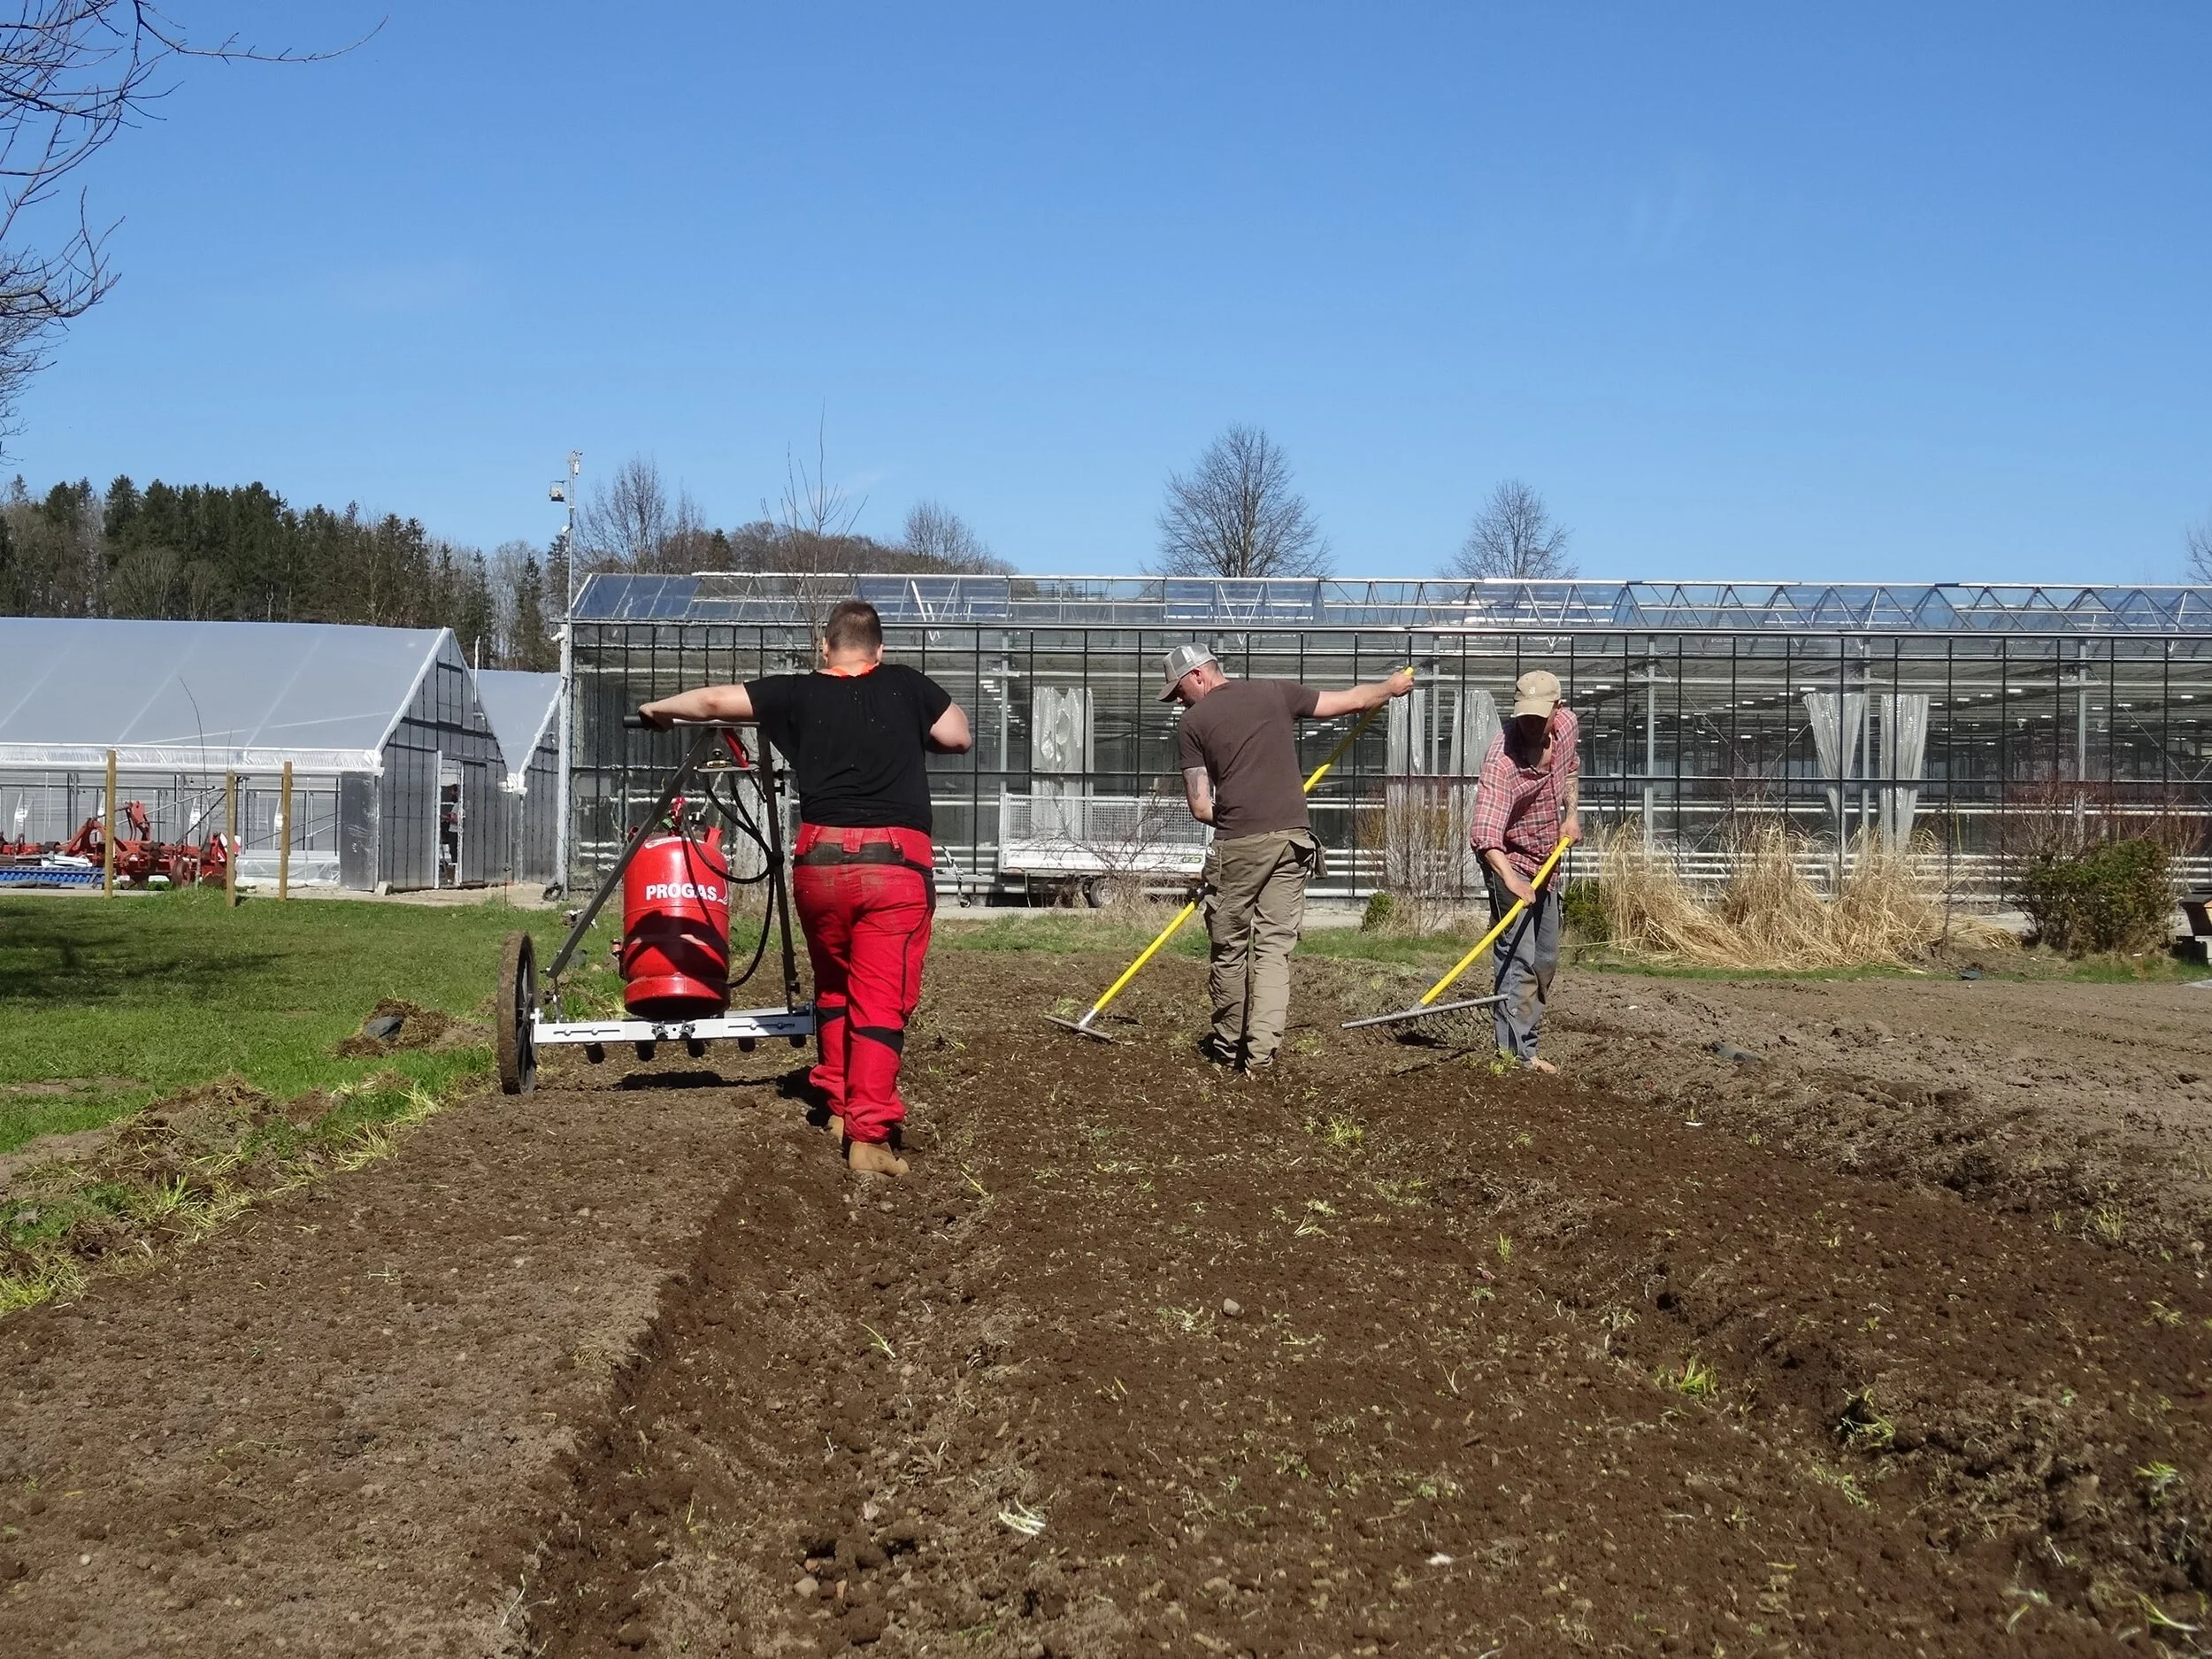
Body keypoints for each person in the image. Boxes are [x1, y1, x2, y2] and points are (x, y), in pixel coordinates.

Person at [639, 600, 972, 1175]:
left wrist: (659, 709)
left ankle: (840, 1106)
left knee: (837, 984)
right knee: (880, 998)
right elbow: (957, 734)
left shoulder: (796, 691)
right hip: (891, 865)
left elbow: (716, 701)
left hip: (820, 863)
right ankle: (869, 1136)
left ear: (825, 647)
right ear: (880, 650)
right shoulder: (906, 684)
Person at [1164, 642, 1415, 1073]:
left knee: (1229, 949)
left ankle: (1227, 1049)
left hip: (1239, 844)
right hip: (1293, 841)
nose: (1179, 700)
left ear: (1199, 676)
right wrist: (1391, 687)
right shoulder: (1274, 691)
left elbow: (1200, 806)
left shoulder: (1193, 723)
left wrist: (1239, 814)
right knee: (1274, 951)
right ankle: (1260, 1057)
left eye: (1179, 690)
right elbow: (1352, 700)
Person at [1469, 669, 1582, 1072]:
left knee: (1546, 958)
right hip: (1508, 862)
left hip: (1547, 859)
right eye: (1525, 716)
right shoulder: (1502, 760)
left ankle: (1525, 1045)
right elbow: (1484, 836)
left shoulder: (1567, 727)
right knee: (1518, 956)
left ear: (1558, 709)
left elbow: (1570, 768)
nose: (1532, 725)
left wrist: (1571, 815)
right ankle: (1518, 1054)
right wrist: (1512, 880)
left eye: (1540, 716)